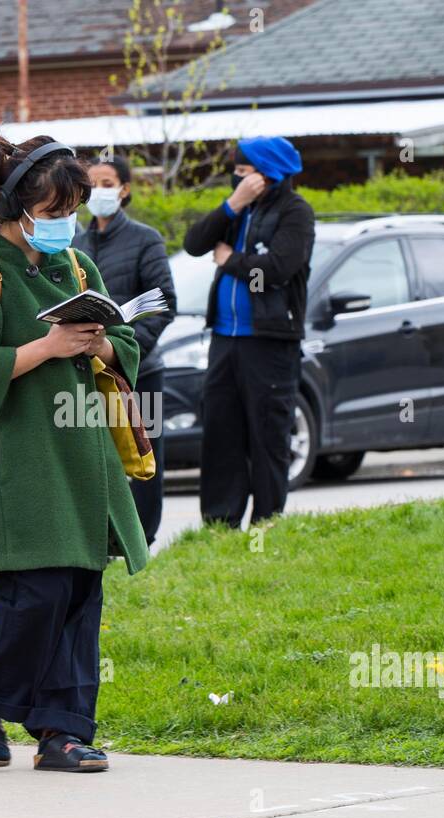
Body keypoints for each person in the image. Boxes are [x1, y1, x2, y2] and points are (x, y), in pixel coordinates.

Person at [0, 135, 149, 772]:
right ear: (15, 206)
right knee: (34, 590)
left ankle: (62, 732)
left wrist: (98, 345)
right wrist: (51, 347)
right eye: (55, 210)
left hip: (85, 452)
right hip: (19, 458)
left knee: (82, 591)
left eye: (74, 209)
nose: (67, 222)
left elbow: (126, 346)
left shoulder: (79, 267)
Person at [183, 136, 315, 527]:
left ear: (267, 174)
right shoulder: (238, 209)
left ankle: (267, 523)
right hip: (225, 341)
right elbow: (194, 244)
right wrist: (232, 204)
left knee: (267, 435)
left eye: (244, 173)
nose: (236, 179)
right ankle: (220, 524)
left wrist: (230, 260)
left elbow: (275, 269)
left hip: (270, 342)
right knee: (222, 433)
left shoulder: (296, 212)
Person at [73, 155, 176, 545]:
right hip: (89, 373)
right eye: (92, 184)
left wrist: (125, 353)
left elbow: (163, 302)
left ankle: (141, 539)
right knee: (97, 456)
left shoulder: (145, 238)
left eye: (107, 182)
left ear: (124, 189)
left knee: (143, 456)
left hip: (140, 372)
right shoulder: (76, 242)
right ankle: (104, 539)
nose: (98, 191)